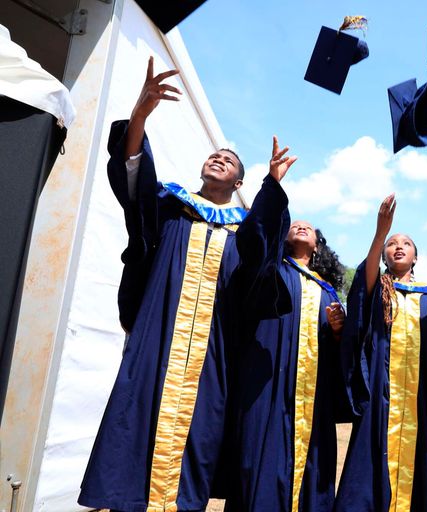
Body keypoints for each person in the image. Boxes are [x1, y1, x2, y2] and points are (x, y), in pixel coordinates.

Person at [79, 57, 248, 511]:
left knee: (201, 428)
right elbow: (133, 177)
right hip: (158, 334)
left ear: (238, 180)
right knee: (137, 413)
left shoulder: (247, 232)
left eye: (229, 160)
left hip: (213, 351)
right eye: (214, 155)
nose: (218, 158)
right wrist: (140, 114)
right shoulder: (170, 204)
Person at [225, 138, 347, 511]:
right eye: (296, 225)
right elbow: (257, 237)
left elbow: (343, 354)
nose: (302, 227)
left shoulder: (328, 292)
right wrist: (273, 184)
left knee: (308, 462)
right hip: (267, 380)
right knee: (258, 457)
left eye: (309, 228)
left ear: (318, 246)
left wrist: (340, 331)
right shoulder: (272, 270)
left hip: (312, 392)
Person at [334, 194, 427, 512]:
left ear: (416, 257)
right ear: (384, 256)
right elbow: (363, 283)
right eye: (392, 244)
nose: (398, 246)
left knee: (425, 474)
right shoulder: (378, 291)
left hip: (425, 399)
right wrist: (381, 232)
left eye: (406, 243)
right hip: (380, 398)